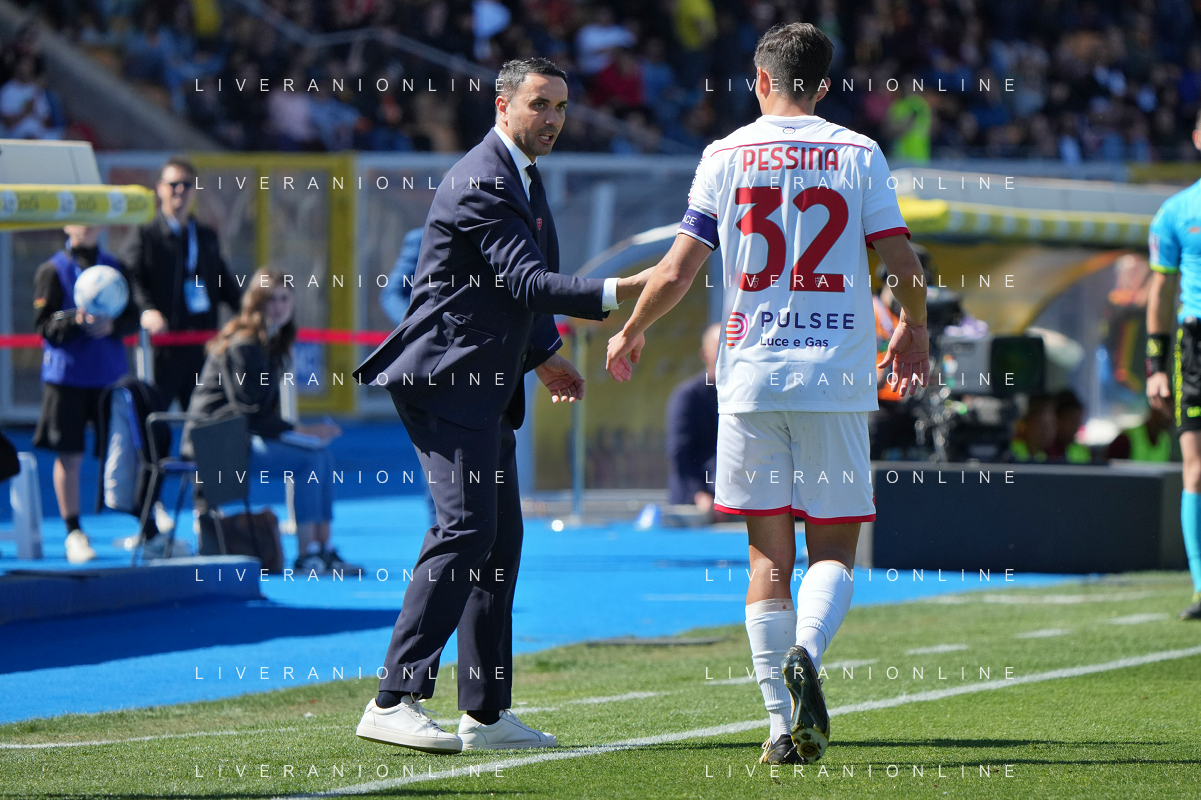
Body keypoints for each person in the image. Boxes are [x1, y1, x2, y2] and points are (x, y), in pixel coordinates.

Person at [605, 23, 928, 766]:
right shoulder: (859, 152)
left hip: (749, 376)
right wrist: (914, 329)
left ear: (759, 79)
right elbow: (902, 263)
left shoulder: (724, 155)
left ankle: (779, 727)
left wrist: (631, 329)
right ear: (823, 86)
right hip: (834, 377)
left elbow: (677, 271)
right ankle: (807, 651)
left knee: (765, 559)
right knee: (834, 546)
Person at [352, 57, 650, 754]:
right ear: (502, 106)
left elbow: (509, 289)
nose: (553, 118)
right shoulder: (484, 179)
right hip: (445, 382)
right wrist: (622, 289)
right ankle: (391, 699)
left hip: (482, 385)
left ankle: (484, 716)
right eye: (539, 104)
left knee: (498, 542)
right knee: (465, 532)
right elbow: (526, 279)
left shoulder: (522, 175)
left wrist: (542, 355)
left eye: (561, 106)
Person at [182, 267, 352, 574]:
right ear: (256, 303)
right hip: (215, 444)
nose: (279, 306)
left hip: (239, 437)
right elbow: (248, 413)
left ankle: (322, 548)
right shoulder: (244, 345)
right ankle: (307, 554)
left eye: (285, 298)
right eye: (271, 299)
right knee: (310, 460)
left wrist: (302, 435)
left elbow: (259, 416)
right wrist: (303, 430)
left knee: (321, 455)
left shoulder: (271, 342)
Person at [33, 225, 139, 563]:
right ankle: (73, 532)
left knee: (127, 452)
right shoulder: (53, 270)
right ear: (67, 224)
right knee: (70, 455)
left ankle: (147, 527)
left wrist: (114, 326)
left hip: (110, 378)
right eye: (79, 216)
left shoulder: (115, 267)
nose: (87, 225)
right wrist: (76, 321)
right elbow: (44, 327)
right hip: (67, 379)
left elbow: (133, 316)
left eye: (93, 217)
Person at [123, 156, 242, 411]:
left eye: (186, 184)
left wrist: (250, 314)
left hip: (201, 347)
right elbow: (130, 277)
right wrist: (147, 310)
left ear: (194, 190)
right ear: (160, 188)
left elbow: (225, 285)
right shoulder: (146, 234)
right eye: (173, 184)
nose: (180, 190)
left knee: (206, 417)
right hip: (162, 347)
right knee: (152, 417)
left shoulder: (206, 237)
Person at [1146, 115, 1201, 619]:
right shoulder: (1176, 211)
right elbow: (1161, 293)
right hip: (1194, 344)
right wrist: (1155, 364)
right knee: (1196, 466)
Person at [665, 323, 731, 520]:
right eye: (720, 348)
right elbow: (679, 452)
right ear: (704, 354)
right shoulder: (687, 396)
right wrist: (698, 494)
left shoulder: (748, 396)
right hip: (695, 508)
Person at [1106, 404, 1175, 462]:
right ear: (1154, 412)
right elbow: (1111, 469)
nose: (1170, 416)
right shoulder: (1126, 438)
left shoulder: (1165, 439)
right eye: (1167, 411)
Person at [1008, 393, 1056, 462]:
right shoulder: (1011, 451)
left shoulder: (1043, 456)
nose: (1048, 432)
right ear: (1027, 424)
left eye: (1052, 426)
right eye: (1043, 426)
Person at [1048, 389, 1092, 464]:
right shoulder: (1042, 450)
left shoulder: (1081, 451)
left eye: (1079, 421)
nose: (1077, 426)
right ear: (1056, 420)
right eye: (1073, 421)